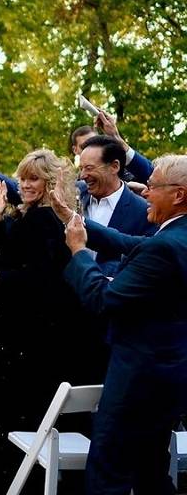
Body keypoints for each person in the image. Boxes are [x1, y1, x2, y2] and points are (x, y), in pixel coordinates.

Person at [0, 149, 102, 493]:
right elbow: (9, 255)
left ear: (50, 183)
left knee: (17, 413)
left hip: (31, 337)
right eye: (22, 177)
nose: (24, 184)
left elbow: (38, 279)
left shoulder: (43, 220)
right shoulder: (36, 216)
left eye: (33, 178)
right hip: (28, 334)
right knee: (16, 414)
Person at [56, 155, 187, 494]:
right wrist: (71, 216)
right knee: (150, 471)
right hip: (169, 374)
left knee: (108, 469)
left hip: (138, 376)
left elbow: (105, 300)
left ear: (178, 195)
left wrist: (79, 253)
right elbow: (128, 243)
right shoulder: (176, 238)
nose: (144, 191)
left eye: (153, 186)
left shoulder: (165, 247)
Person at [77, 135, 155, 276]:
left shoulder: (144, 212)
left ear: (114, 166)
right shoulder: (76, 195)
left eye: (89, 168)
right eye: (81, 168)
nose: (82, 175)